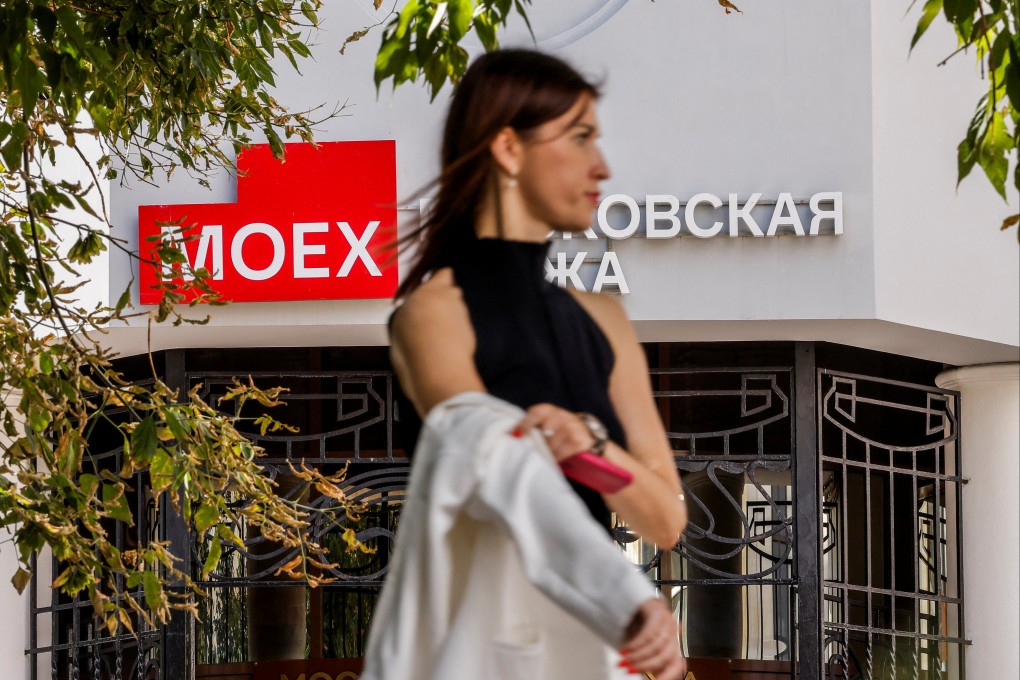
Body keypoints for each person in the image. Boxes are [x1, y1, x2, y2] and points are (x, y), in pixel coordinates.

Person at [376, 49, 688, 680]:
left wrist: (589, 446)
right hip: (486, 646)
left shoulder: (604, 318)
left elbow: (665, 519)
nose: (602, 165)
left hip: (594, 648)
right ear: (508, 149)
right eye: (579, 137)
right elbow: (492, 464)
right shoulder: (432, 314)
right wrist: (624, 598)